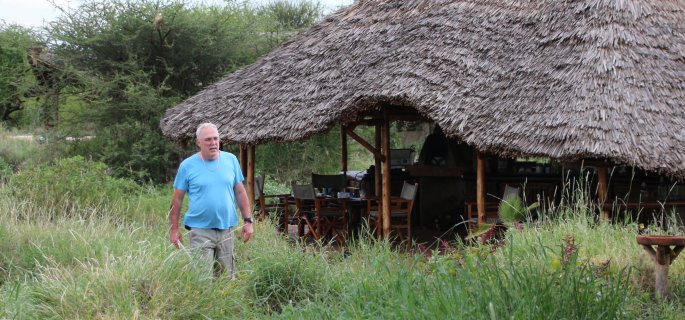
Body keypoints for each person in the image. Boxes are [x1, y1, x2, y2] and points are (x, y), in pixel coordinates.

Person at [169, 122, 254, 278]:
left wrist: (248, 221)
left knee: (227, 279)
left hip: (226, 230)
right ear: (198, 142)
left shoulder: (231, 160)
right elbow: (177, 200)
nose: (213, 143)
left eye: (216, 138)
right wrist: (173, 229)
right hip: (199, 230)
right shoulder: (187, 166)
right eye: (208, 139)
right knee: (203, 280)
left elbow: (240, 192)